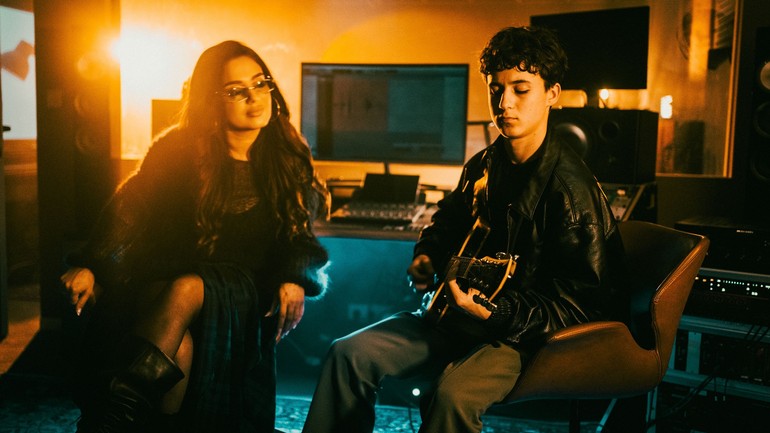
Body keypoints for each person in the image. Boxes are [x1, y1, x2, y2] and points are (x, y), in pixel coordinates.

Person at [301, 26, 627, 433]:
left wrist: (499, 312)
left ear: (552, 94)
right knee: (347, 354)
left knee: (451, 394)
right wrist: (427, 254)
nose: (504, 103)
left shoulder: (571, 192)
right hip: (460, 318)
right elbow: (448, 221)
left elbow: (583, 309)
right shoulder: (484, 164)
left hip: (523, 340)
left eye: (521, 89)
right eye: (496, 89)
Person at [61, 40, 330, 432]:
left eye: (260, 83)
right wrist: (92, 264)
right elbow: (130, 209)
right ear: (211, 101)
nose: (254, 97)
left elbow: (300, 235)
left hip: (241, 291)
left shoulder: (288, 157)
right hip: (168, 276)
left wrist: (294, 277)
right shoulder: (178, 149)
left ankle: (106, 424)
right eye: (235, 91)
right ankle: (128, 423)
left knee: (188, 289)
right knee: (180, 344)